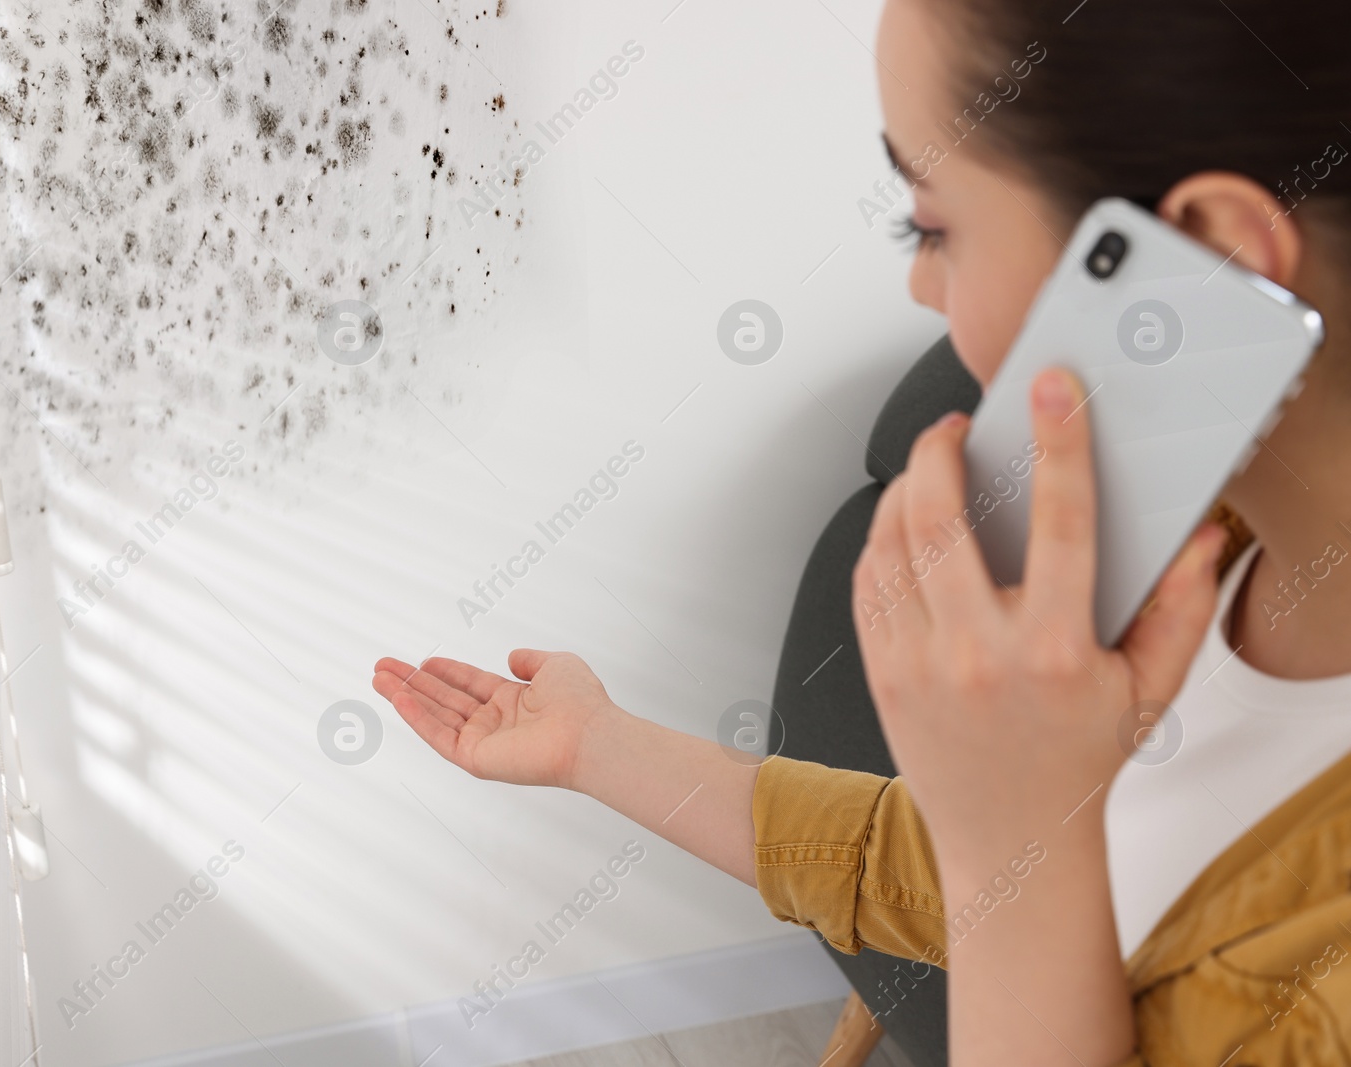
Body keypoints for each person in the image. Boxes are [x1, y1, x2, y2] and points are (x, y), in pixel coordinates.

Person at [373, 0, 1351, 1062]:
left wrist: (1008, 837)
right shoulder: (1191, 539)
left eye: (930, 225)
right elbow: (952, 869)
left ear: (1207, 254)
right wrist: (598, 745)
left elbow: (1007, 869)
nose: (920, 285)